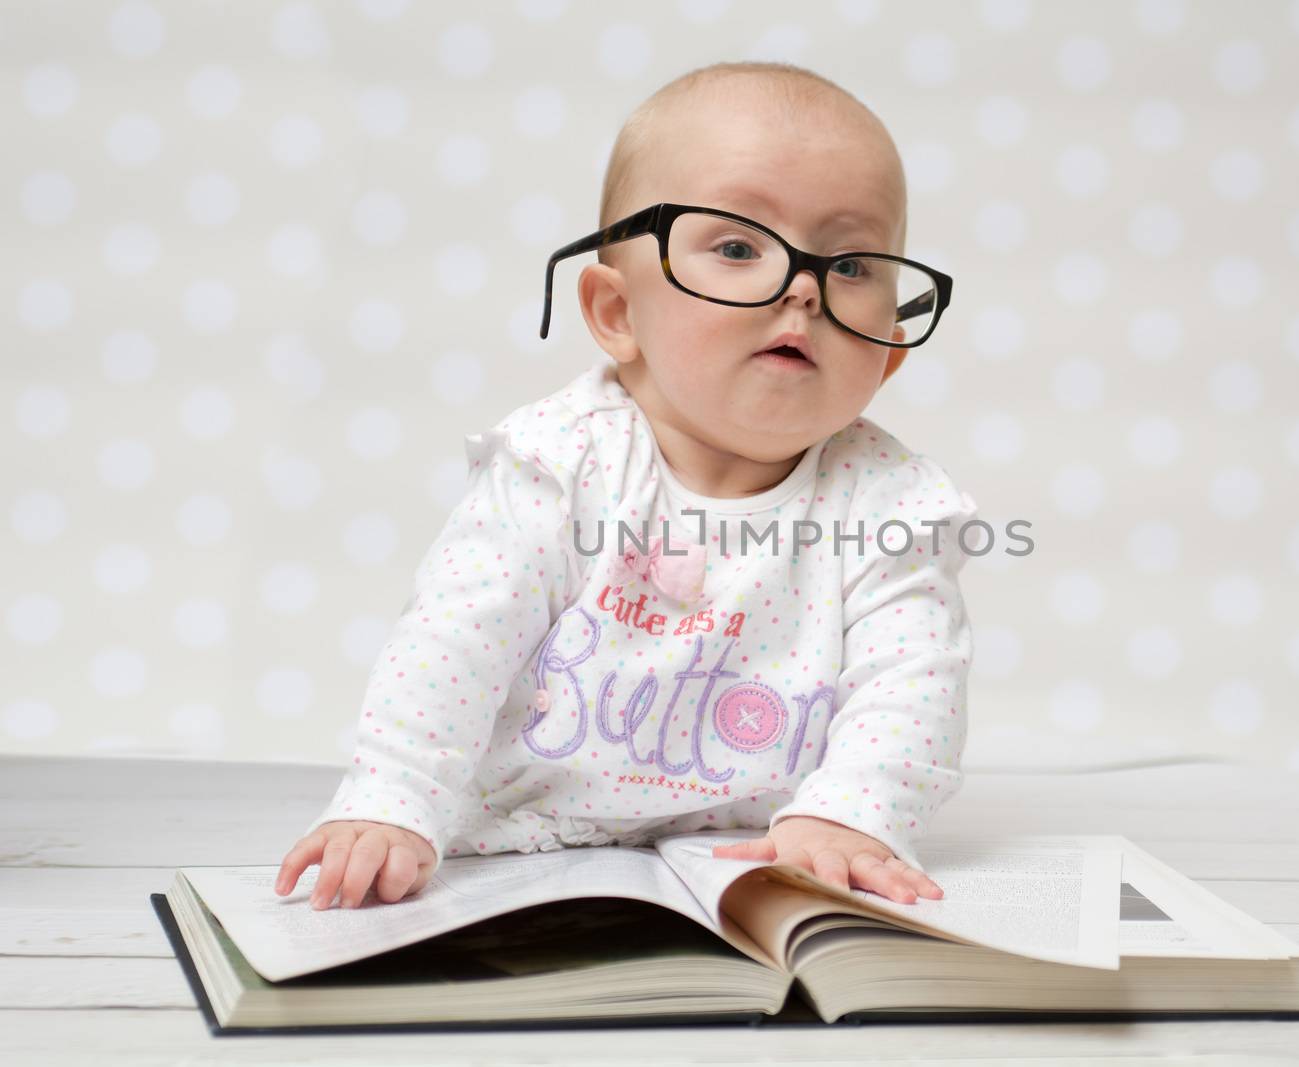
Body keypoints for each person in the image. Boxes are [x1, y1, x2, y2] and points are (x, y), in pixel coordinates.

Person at [274, 60, 978, 913]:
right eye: (737, 245)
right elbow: (454, 639)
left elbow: (912, 681)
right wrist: (394, 798)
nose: (802, 285)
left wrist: (851, 816)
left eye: (853, 263)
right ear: (617, 313)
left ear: (890, 353)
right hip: (523, 837)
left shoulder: (888, 503)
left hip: (758, 851)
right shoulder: (560, 464)